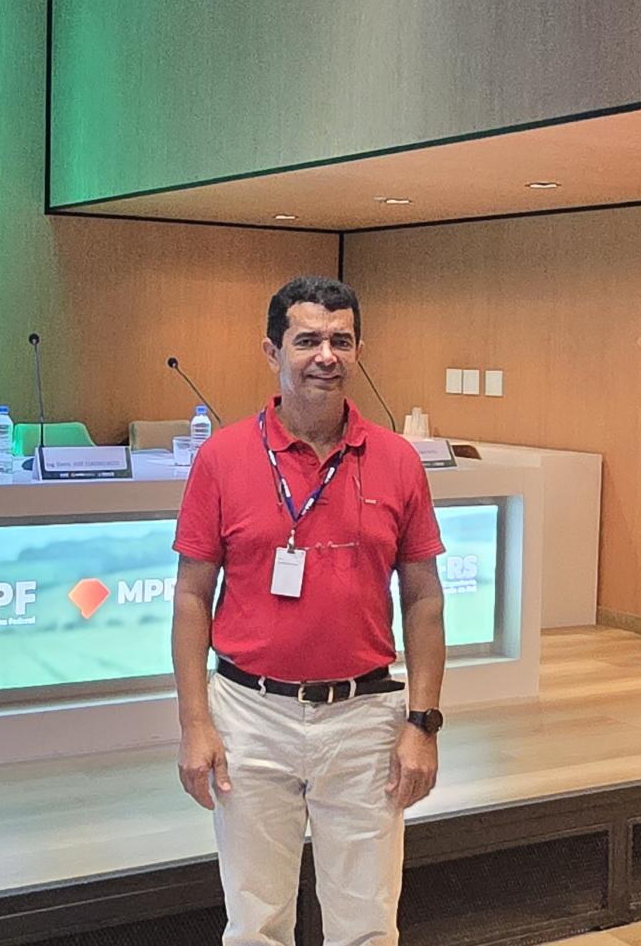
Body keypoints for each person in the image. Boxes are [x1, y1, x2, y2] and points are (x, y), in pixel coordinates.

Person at [171, 275, 447, 946]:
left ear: (358, 351)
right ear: (272, 351)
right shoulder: (222, 457)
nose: (326, 356)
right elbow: (190, 595)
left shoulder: (397, 460)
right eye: (307, 340)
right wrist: (195, 724)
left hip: (365, 719)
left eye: (341, 341)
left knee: (367, 922)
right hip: (249, 717)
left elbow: (424, 598)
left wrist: (423, 724)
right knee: (256, 922)